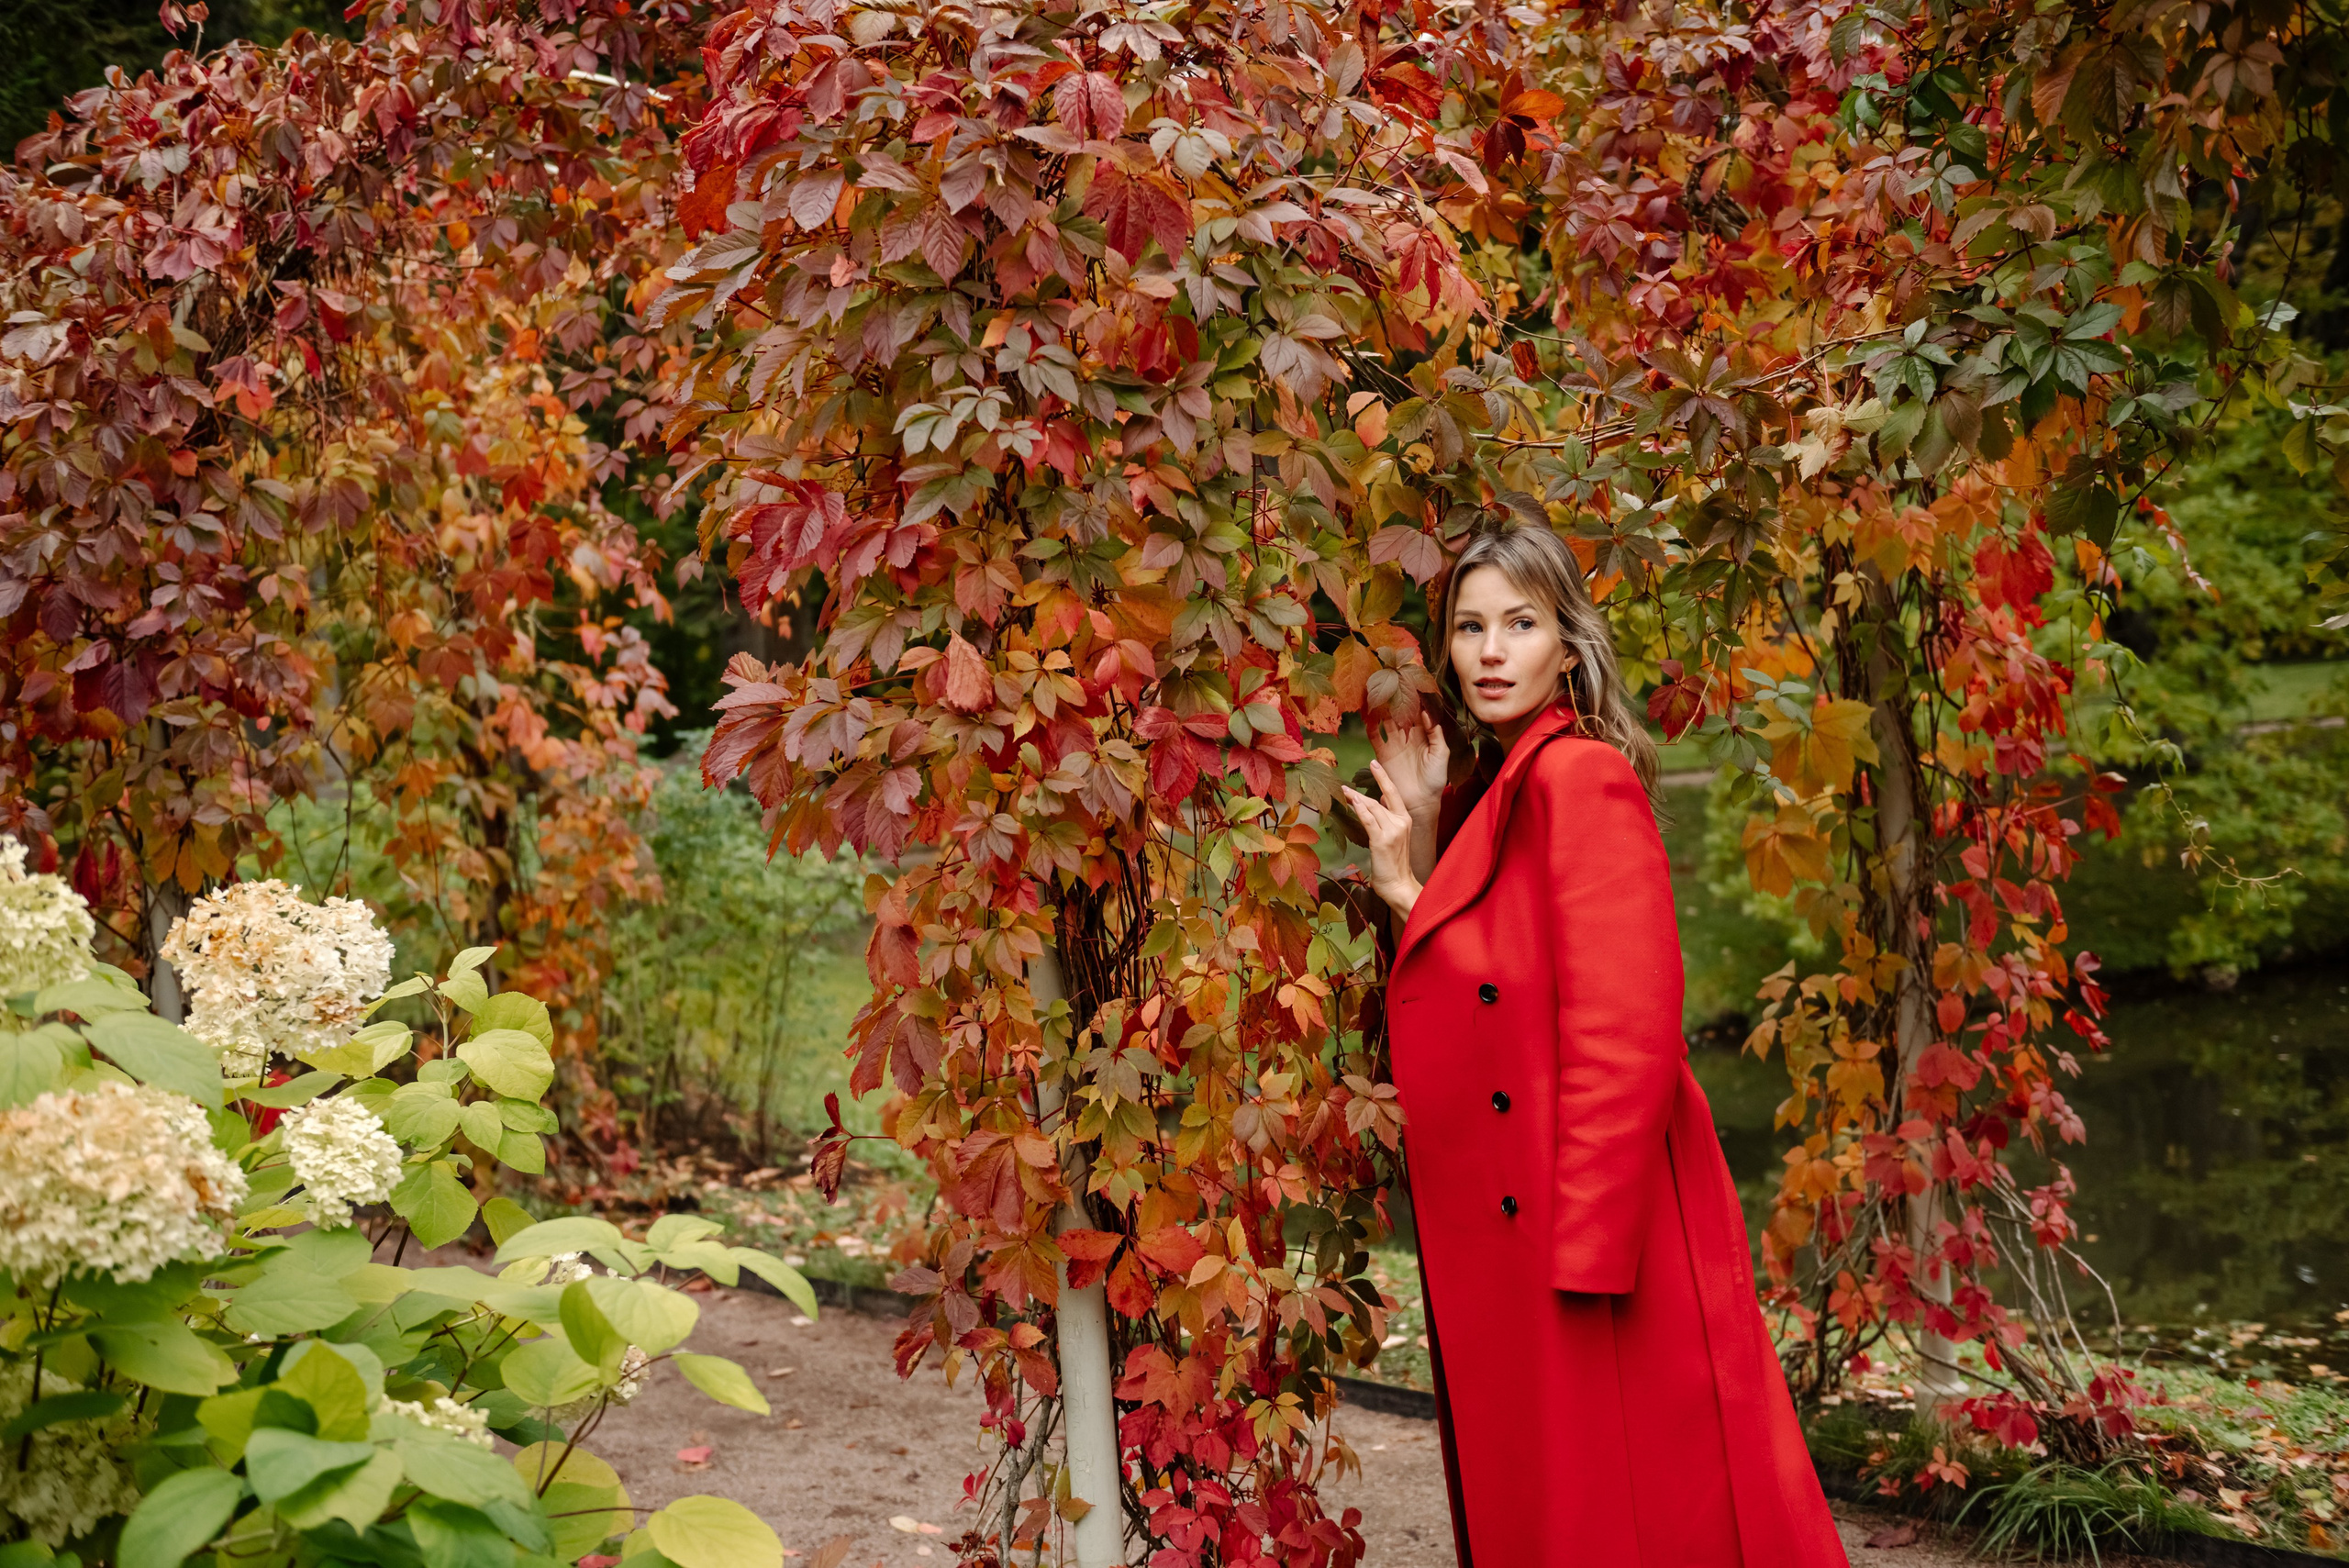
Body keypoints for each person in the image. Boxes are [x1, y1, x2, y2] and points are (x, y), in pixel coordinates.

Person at [1339, 526, 1849, 1567]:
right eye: (1471, 626)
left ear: (1566, 648)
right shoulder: (1511, 781)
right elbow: (1490, 983)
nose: (1490, 650)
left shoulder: (1578, 777)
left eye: (1519, 625)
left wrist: (1588, 1250)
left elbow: (1628, 1028)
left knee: (1629, 1506)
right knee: (1575, 1505)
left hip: (1591, 1221)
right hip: (1537, 1211)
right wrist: (1428, 828)